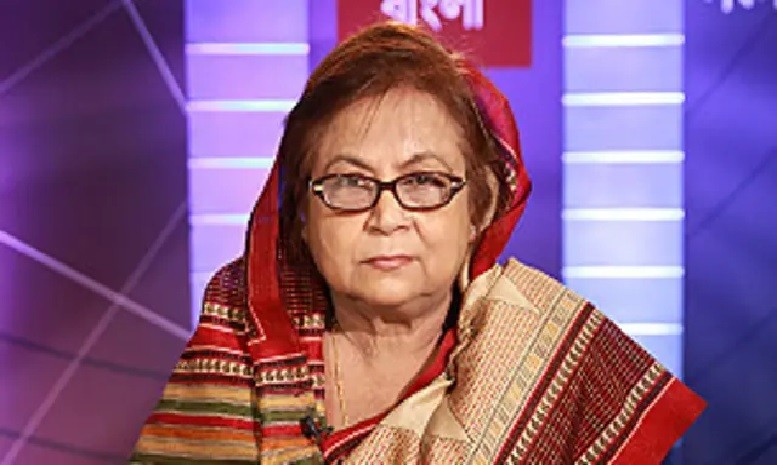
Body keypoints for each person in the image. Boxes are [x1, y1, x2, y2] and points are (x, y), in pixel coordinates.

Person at [129, 22, 705, 464]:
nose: (387, 217)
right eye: (350, 183)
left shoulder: (545, 353)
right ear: (301, 214)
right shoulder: (239, 345)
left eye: (423, 181)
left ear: (480, 206)